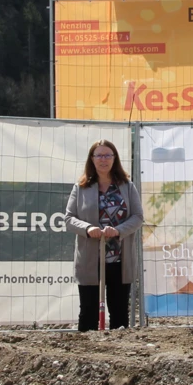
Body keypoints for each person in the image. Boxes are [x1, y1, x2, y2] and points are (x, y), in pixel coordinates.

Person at [65, 141, 144, 331]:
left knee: (119, 314)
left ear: (114, 158)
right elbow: (69, 219)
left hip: (119, 259)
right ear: (91, 159)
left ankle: (119, 356)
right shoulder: (81, 187)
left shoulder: (127, 186)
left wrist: (118, 230)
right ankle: (86, 355)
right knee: (88, 312)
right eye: (99, 155)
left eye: (108, 155)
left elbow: (138, 217)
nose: (103, 160)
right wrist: (87, 229)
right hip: (90, 260)